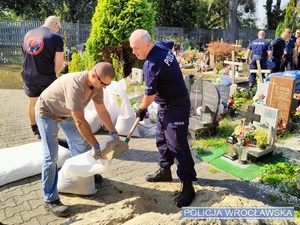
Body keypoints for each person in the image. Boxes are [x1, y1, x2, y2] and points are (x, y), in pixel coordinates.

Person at [35, 62, 120, 217]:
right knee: (51, 156)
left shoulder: (97, 87)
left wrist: (114, 133)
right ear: (94, 74)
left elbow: (102, 110)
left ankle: (85, 173)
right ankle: (50, 199)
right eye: (103, 84)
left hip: (65, 112)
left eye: (107, 85)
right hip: (47, 112)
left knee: (80, 143)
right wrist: (95, 145)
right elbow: (80, 121)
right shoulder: (75, 85)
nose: (104, 87)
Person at [129, 29, 197, 208]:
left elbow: (149, 94)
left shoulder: (151, 63)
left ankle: (188, 185)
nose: (134, 53)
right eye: (132, 48)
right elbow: (171, 44)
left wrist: (141, 109)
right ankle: (165, 171)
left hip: (177, 106)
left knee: (177, 145)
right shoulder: (161, 45)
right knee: (162, 139)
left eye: (136, 48)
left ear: (148, 45)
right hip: (165, 106)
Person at [21, 16, 64, 138]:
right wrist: (51, 76)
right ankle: (48, 131)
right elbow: (59, 63)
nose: (57, 30)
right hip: (46, 77)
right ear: (56, 24)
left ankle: (34, 128)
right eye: (58, 28)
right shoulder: (55, 38)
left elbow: (25, 54)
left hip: (28, 75)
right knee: (50, 104)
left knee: (32, 101)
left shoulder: (28, 34)